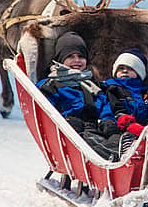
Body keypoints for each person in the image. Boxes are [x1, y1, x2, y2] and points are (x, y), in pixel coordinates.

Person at [37, 33, 131, 161]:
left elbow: (103, 104)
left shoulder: (91, 84)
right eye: (70, 56)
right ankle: (114, 157)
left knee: (116, 139)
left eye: (81, 56)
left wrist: (108, 121)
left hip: (95, 128)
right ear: (60, 59)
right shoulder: (51, 85)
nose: (77, 61)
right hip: (71, 133)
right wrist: (65, 121)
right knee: (92, 143)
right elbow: (46, 110)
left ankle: (125, 154)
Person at [101, 48, 148, 137]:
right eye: (121, 68)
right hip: (118, 129)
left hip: (142, 131)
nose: (125, 71)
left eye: (130, 68)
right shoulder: (111, 88)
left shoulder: (146, 92)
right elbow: (112, 108)